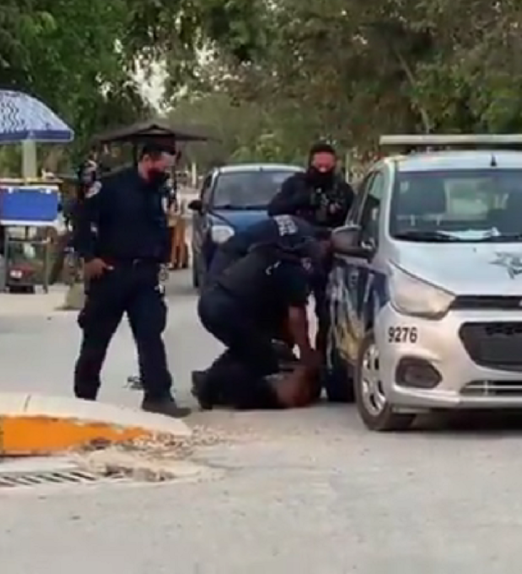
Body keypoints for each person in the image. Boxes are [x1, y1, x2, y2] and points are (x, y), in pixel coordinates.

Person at [71, 143, 190, 418]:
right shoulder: (111, 187)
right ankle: (84, 399)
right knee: (96, 339)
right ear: (147, 159)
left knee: (151, 336)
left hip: (144, 275)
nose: (167, 173)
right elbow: (82, 219)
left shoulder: (157, 191)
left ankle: (158, 396)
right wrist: (89, 257)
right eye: (165, 166)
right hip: (111, 273)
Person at [192, 226, 322, 410]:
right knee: (263, 360)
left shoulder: (276, 254)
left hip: (215, 300)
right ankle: (216, 388)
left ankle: (209, 380)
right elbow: (296, 317)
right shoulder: (294, 271)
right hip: (226, 308)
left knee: (249, 349)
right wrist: (306, 356)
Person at [267, 141, 355, 364]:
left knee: (328, 313)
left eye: (328, 167)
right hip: (297, 253)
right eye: (319, 167)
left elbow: (354, 220)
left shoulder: (342, 190)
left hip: (330, 254)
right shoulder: (295, 185)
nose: (323, 171)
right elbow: (274, 210)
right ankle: (289, 357)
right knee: (291, 307)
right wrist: (302, 201)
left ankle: (324, 359)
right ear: (310, 164)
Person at [206, 214, 330, 365]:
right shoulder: (293, 265)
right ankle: (215, 381)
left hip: (224, 287)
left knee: (252, 347)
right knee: (263, 355)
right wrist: (306, 353)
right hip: (228, 286)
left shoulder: (295, 236)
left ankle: (212, 378)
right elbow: (296, 313)